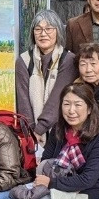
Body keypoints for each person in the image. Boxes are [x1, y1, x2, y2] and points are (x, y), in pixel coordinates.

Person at [16, 9, 77, 145]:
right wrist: (30, 133)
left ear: (58, 31)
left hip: (61, 131)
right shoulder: (24, 60)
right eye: (38, 29)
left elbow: (58, 98)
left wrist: (39, 130)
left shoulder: (68, 59)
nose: (43, 34)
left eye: (49, 29)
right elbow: (23, 100)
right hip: (31, 135)